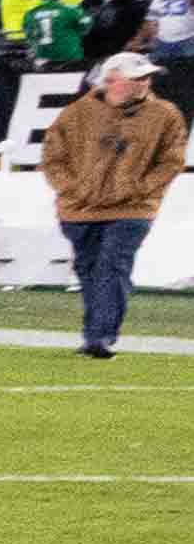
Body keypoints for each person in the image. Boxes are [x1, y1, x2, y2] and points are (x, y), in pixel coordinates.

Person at [44, 50, 175, 356]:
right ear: (112, 80)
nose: (146, 83)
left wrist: (139, 189)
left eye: (147, 78)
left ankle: (102, 337)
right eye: (138, 78)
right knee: (88, 269)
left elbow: (170, 162)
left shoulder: (165, 114)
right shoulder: (76, 114)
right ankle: (94, 334)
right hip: (79, 209)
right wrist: (73, 190)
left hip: (133, 208)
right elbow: (53, 157)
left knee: (113, 265)